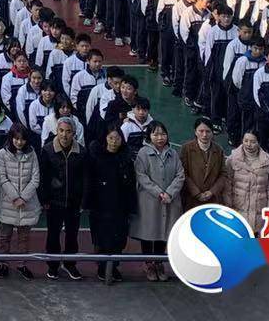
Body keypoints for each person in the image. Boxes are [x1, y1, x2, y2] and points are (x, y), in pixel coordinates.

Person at [132, 122, 181, 282]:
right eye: (155, 134)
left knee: (163, 233)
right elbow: (141, 176)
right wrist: (158, 192)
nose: (160, 138)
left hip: (169, 201)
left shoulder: (173, 153)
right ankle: (148, 264)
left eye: (162, 134)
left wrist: (169, 193)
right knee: (148, 232)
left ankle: (159, 263)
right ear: (149, 136)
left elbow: (180, 175)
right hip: (149, 200)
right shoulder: (143, 153)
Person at [85, 127, 135, 285]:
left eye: (117, 138)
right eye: (111, 138)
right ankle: (102, 267)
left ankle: (114, 267)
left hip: (120, 206)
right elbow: (89, 181)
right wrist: (88, 202)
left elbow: (131, 183)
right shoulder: (96, 157)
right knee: (102, 238)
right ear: (105, 138)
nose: (114, 142)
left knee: (119, 239)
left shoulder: (126, 158)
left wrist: (131, 205)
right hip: (101, 206)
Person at [39, 116, 85, 280]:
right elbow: (43, 178)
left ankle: (70, 264)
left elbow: (84, 178)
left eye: (68, 132)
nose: (64, 135)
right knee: (53, 235)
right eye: (61, 131)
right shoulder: (47, 150)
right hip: (54, 202)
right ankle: (53, 265)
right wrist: (44, 200)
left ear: (74, 133)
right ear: (56, 131)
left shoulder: (81, 152)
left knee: (72, 235)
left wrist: (82, 200)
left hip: (74, 202)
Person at [0, 123, 41, 278]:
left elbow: (35, 179)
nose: (19, 142)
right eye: (16, 138)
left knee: (24, 238)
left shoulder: (32, 153)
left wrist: (23, 197)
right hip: (8, 202)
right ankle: (3, 263)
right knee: (4, 236)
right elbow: (2, 177)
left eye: (22, 139)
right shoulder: (2, 153)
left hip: (27, 203)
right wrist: (15, 197)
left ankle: (22, 264)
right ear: (11, 138)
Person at [225, 131, 269, 230]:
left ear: (258, 142)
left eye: (253, 142)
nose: (249, 145)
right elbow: (227, 185)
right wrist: (228, 209)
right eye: (246, 141)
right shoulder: (233, 159)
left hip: (259, 214)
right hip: (238, 211)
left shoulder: (266, 161)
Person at [179, 118, 226, 212]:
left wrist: (212, 192)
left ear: (212, 133)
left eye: (208, 131)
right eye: (201, 131)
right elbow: (183, 172)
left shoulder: (218, 150)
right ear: (195, 132)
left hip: (213, 199)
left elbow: (223, 174)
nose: (204, 135)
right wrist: (196, 193)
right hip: (191, 199)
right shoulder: (186, 149)